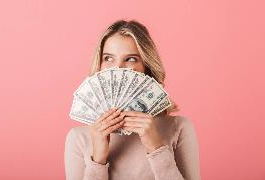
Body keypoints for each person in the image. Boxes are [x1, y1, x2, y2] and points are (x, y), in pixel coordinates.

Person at [64, 19, 201, 180]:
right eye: (108, 58)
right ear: (99, 64)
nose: (118, 68)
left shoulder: (178, 128)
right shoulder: (78, 138)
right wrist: (98, 159)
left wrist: (156, 148)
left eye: (130, 59)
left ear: (146, 67)